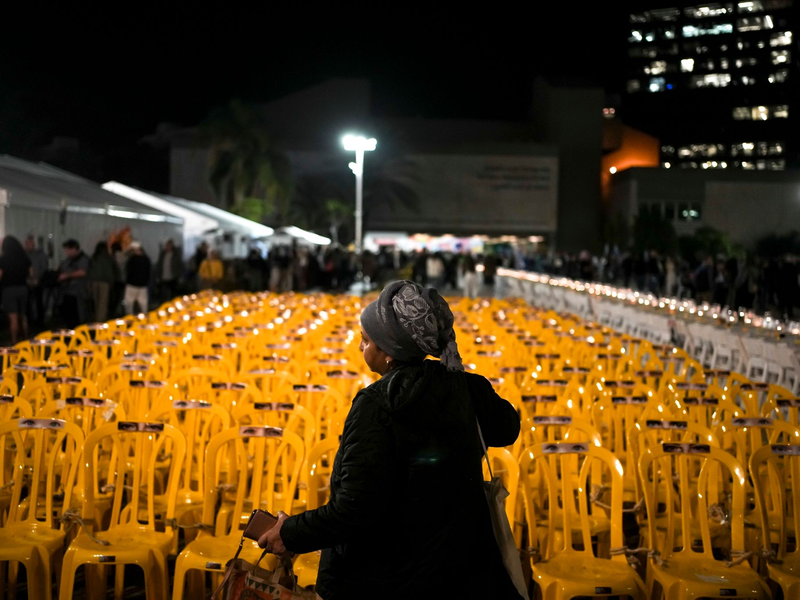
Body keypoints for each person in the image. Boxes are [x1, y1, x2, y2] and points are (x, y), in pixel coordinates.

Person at [258, 281, 522, 599]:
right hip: (462, 572)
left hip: (388, 579)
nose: (360, 346)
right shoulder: (466, 388)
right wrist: (467, 386)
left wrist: (290, 532)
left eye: (366, 340)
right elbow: (508, 428)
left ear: (388, 351)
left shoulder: (376, 406)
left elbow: (355, 510)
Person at [0, 236, 32, 343]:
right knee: (23, 316)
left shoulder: (3, 259)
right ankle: (26, 340)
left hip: (9, 290)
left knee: (13, 318)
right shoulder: (25, 258)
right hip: (23, 288)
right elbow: (31, 274)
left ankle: (14, 343)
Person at [87, 242, 119, 322]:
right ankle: (100, 321)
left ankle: (96, 319)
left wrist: (89, 283)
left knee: (96, 302)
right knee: (103, 303)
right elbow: (111, 271)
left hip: (94, 282)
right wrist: (112, 282)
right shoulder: (108, 258)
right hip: (105, 283)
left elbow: (89, 271)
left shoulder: (94, 257)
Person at [25, 236, 48, 327]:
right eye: (26, 244)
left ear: (33, 244)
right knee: (28, 303)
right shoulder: (24, 255)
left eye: (29, 243)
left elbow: (44, 268)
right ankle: (30, 321)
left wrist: (38, 279)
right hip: (27, 282)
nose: (27, 245)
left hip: (38, 281)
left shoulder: (40, 254)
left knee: (39, 302)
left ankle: (40, 321)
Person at [124, 242, 151, 314]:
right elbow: (148, 272)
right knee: (143, 304)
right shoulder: (146, 259)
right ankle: (144, 317)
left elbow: (127, 269)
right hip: (142, 285)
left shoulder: (132, 259)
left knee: (129, 304)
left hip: (132, 285)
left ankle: (129, 318)